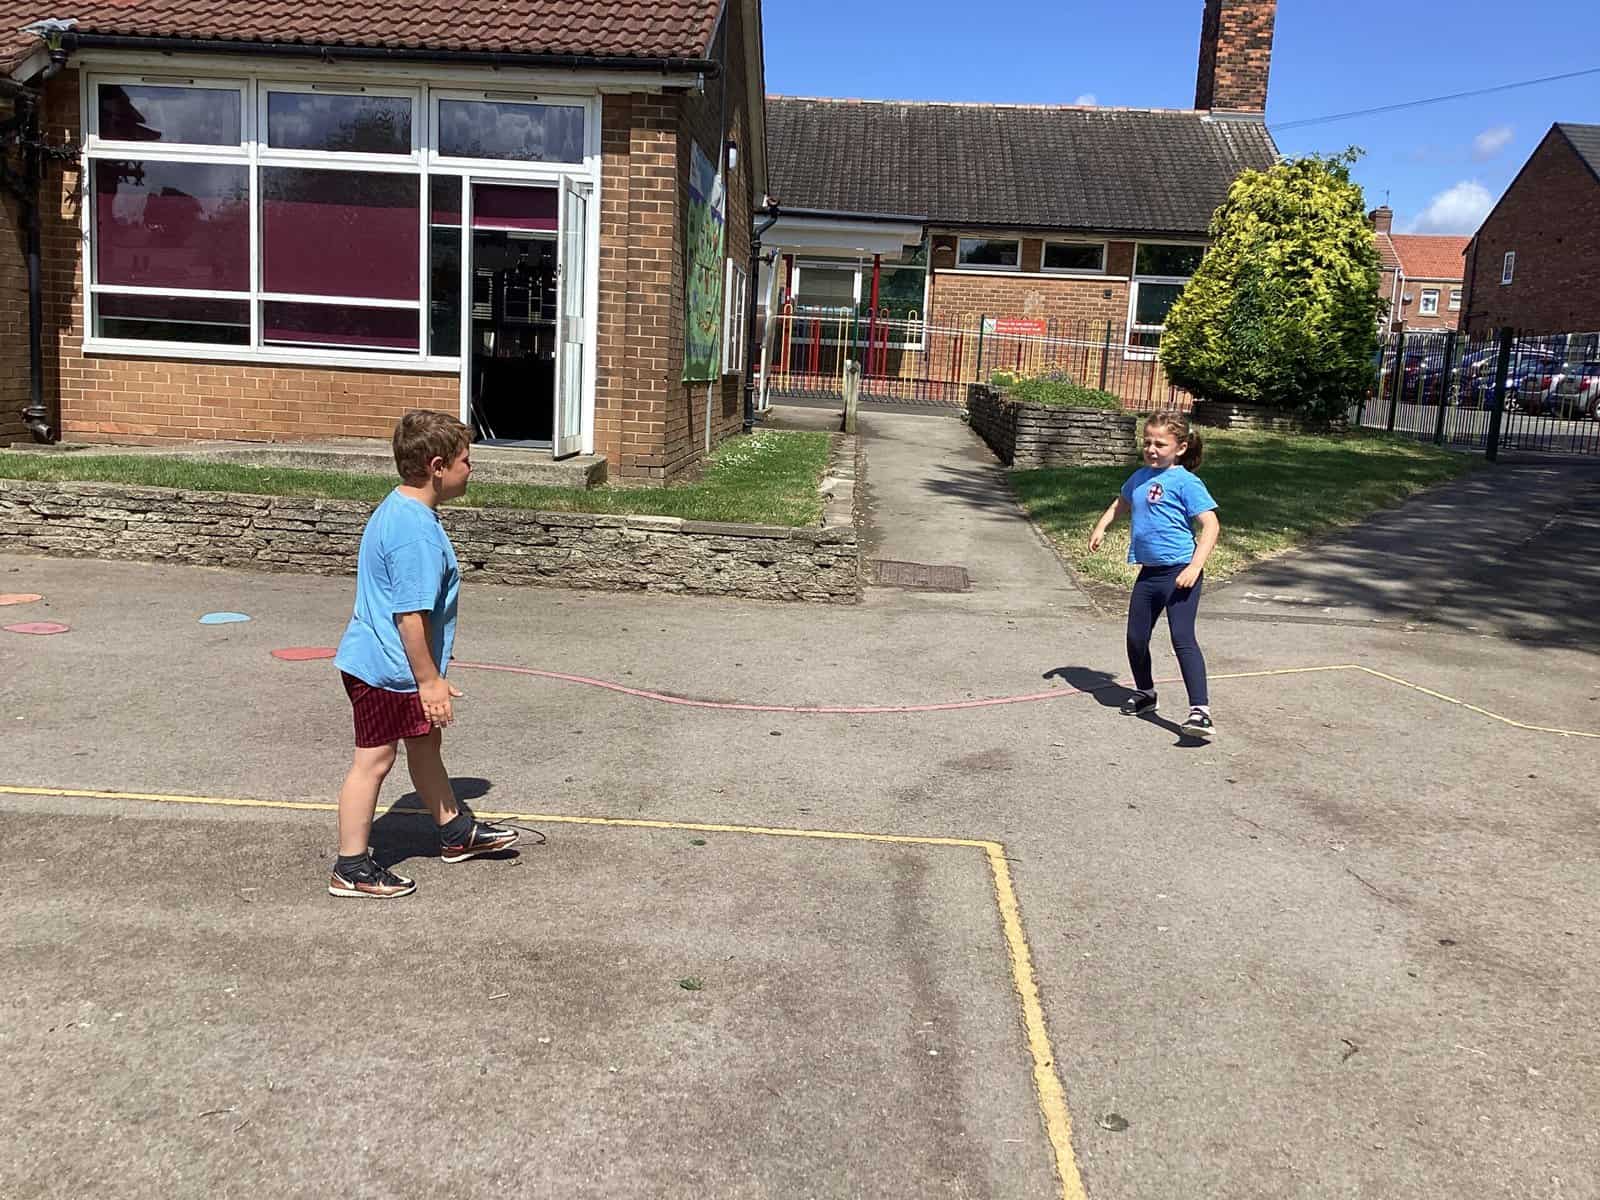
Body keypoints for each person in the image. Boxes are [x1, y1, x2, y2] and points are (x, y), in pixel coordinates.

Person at [328, 410, 518, 898]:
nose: (470, 469)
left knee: (425, 744)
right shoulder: (413, 533)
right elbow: (409, 617)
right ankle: (351, 867)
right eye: (465, 460)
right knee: (374, 760)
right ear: (437, 467)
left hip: (398, 666)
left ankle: (456, 832)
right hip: (386, 669)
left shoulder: (404, 511)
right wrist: (430, 681)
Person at [1088, 410, 1220, 739]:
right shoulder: (1139, 477)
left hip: (1180, 572)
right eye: (1147, 442)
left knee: (1182, 638)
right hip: (1149, 574)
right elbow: (1121, 502)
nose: (1151, 449)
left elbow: (1211, 525)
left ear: (1181, 447)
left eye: (1160, 444)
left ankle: (1200, 711)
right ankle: (1146, 693)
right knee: (1136, 638)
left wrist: (1194, 566)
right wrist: (1102, 526)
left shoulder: (1186, 482)